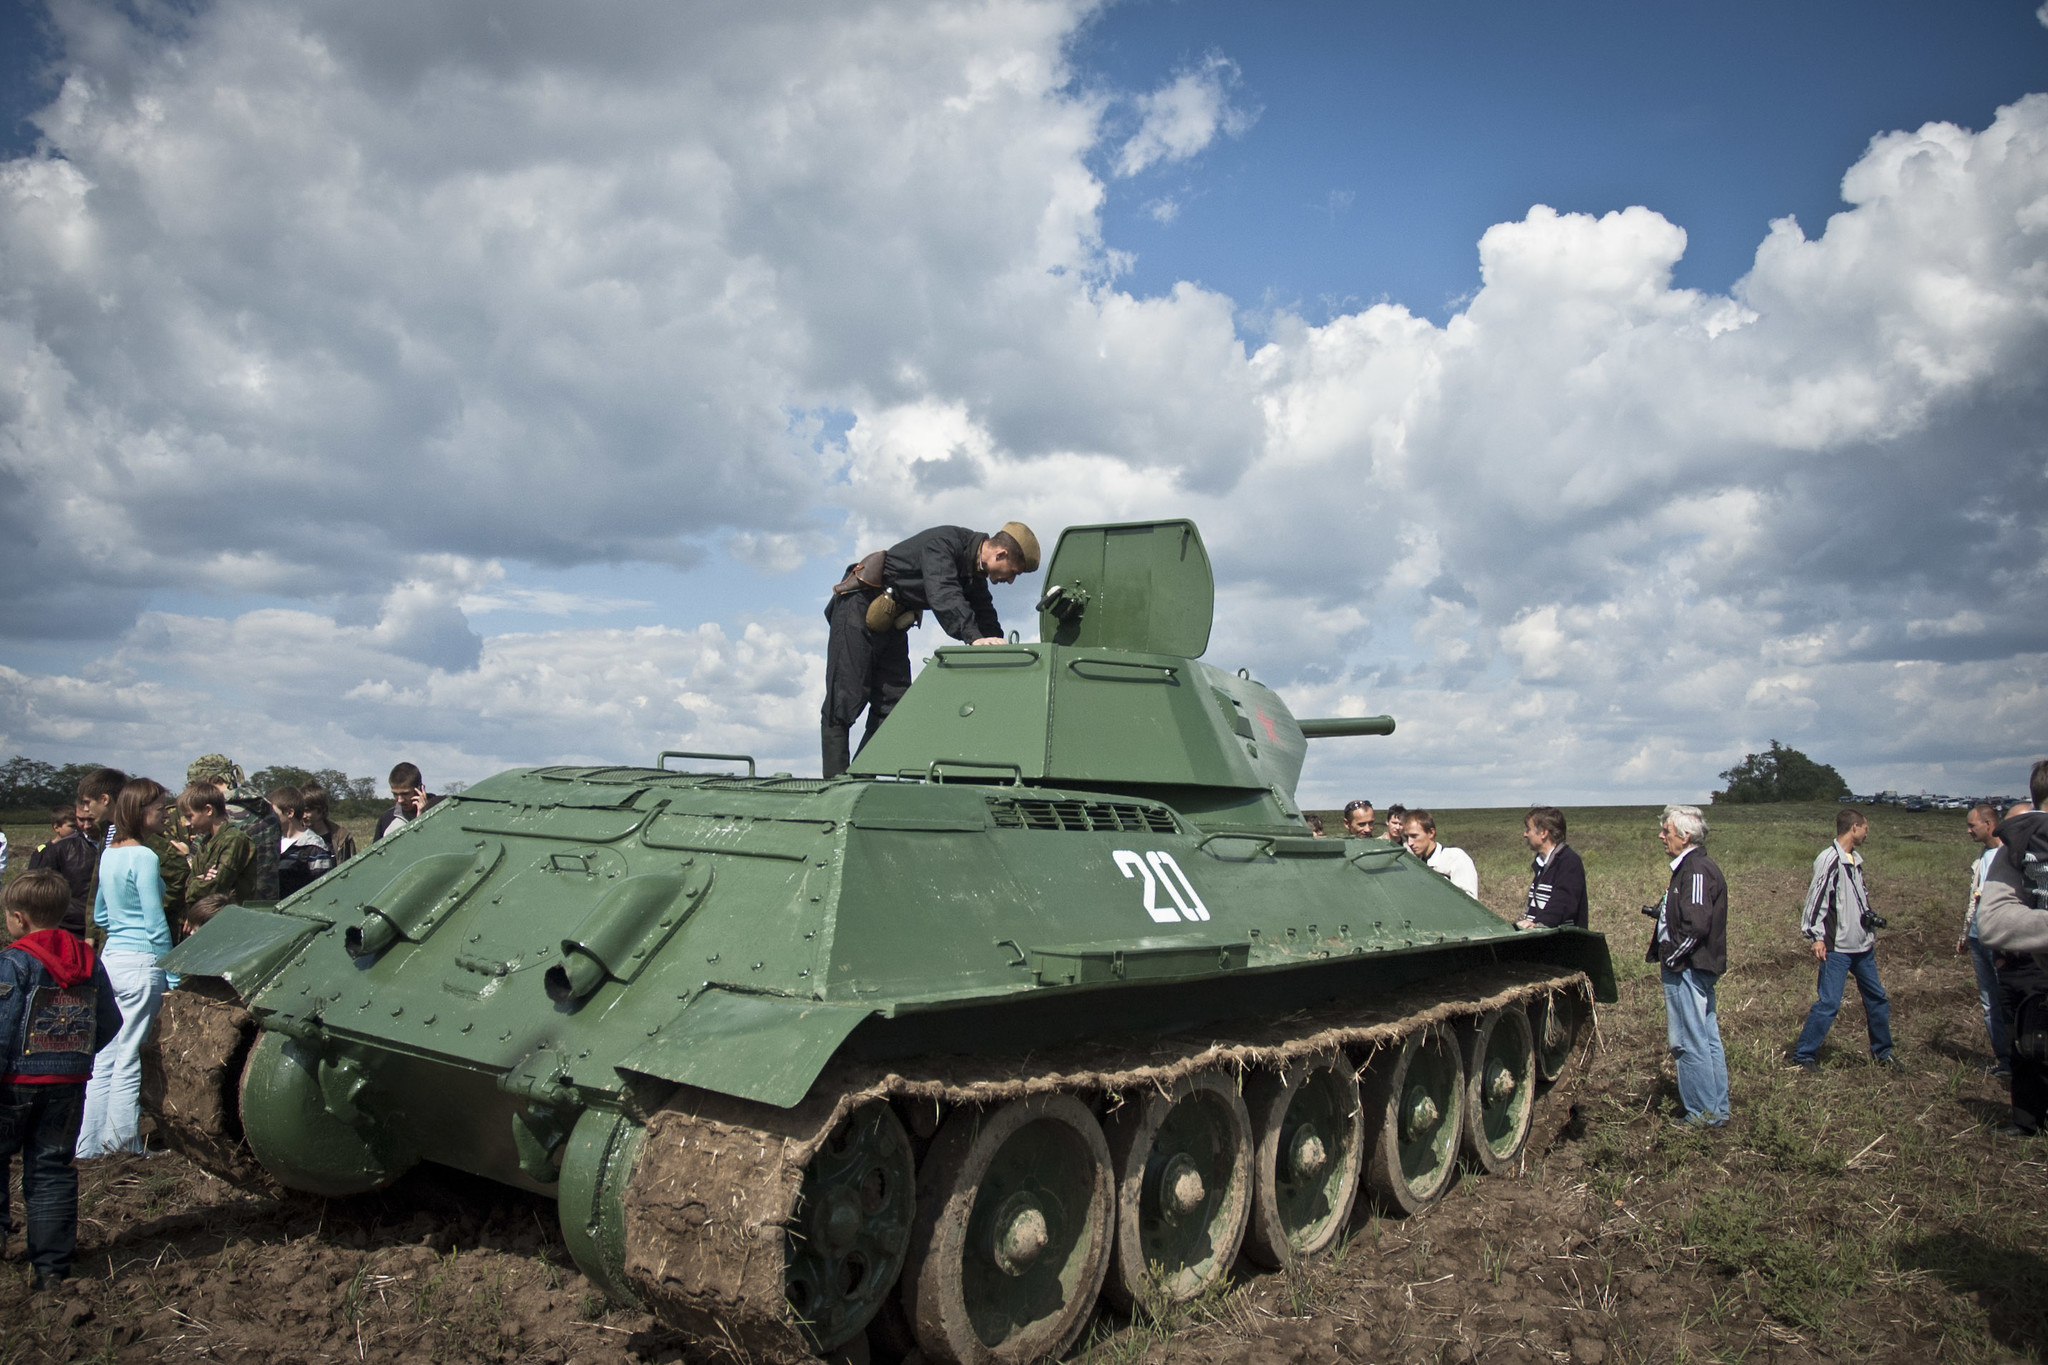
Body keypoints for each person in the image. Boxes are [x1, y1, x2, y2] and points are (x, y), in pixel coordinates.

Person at [821, 522, 1039, 779]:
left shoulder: (973, 572)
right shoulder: (944, 544)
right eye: (1013, 572)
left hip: (892, 618)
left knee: (894, 704)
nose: (1011, 580)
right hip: (858, 606)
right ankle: (834, 784)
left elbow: (984, 612)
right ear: (1000, 554)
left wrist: (1003, 653)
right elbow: (943, 592)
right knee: (845, 698)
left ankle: (858, 780)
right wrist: (973, 638)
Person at [0, 870, 122, 1289]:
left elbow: (3, 1024)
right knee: (51, 1167)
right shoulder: (90, 963)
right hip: (68, 1084)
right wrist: (77, 1057)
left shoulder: (14, 963)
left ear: (18, 918)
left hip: (13, 1081)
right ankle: (51, 1268)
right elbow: (109, 1021)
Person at [76, 778, 173, 1157]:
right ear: (140, 812)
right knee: (131, 1055)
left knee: (105, 1057)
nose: (166, 814)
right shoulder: (145, 858)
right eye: (160, 809)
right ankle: (123, 1144)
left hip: (111, 960)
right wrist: (173, 971)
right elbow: (155, 923)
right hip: (141, 962)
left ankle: (88, 1145)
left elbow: (100, 913)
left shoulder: (109, 854)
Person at [1791, 807, 1896, 1071]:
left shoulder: (1854, 860)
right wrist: (1815, 935)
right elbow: (1816, 899)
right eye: (1865, 828)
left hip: (1862, 946)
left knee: (1877, 999)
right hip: (1837, 947)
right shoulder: (1829, 859)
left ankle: (1883, 1053)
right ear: (1854, 827)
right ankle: (1804, 1055)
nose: (1866, 833)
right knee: (1828, 1004)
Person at [1646, 804, 1730, 1127]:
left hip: (1688, 969)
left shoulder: (1695, 869)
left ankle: (1701, 1114)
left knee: (1688, 1041)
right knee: (1707, 1038)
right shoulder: (1691, 868)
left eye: (1666, 831)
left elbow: (1696, 924)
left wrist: (1673, 956)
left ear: (1685, 836)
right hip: (1695, 967)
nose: (1661, 836)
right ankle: (1716, 1110)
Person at [1977, 772, 2048, 1138]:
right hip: (2030, 967)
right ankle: (2026, 1120)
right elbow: (1990, 921)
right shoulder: (2018, 849)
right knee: (2027, 1041)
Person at [1955, 802, 2012, 1077]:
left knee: (2008, 999)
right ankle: (2005, 1061)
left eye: (1972, 825)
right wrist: (1965, 934)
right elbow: (1974, 901)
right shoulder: (1981, 858)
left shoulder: (2009, 856)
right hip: (1978, 938)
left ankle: (2020, 1059)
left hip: (2000, 940)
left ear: (1989, 825)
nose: (1968, 831)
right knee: (1989, 1000)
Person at [185, 756, 281, 900]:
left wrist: (186, 855)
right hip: (268, 902)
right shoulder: (267, 808)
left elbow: (200, 872)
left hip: (232, 908)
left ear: (209, 782)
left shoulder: (217, 815)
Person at [182, 784, 259, 905]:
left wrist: (195, 883)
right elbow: (188, 883)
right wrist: (199, 881)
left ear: (208, 810)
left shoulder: (234, 840)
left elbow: (215, 888)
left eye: (189, 816)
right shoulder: (205, 842)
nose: (186, 823)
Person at [1517, 806, 1588, 930]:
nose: (1525, 834)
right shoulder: (1542, 864)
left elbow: (1564, 902)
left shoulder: (1569, 861)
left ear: (1543, 833)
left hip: (1563, 945)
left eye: (1529, 829)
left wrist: (1540, 924)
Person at [273, 785, 335, 897]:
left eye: (274, 814)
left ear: (289, 813)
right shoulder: (272, 842)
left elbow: (324, 891)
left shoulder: (315, 848)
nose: (270, 817)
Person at [1402, 809, 1478, 898]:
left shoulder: (1454, 857)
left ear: (1431, 833)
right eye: (1407, 837)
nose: (1410, 842)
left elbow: (1470, 901)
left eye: (1414, 836)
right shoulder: (1416, 864)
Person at [375, 762, 441, 840]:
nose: (400, 800)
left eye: (405, 794)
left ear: (420, 789)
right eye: (395, 794)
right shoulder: (386, 820)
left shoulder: (442, 810)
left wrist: (424, 816)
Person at [299, 784, 358, 864]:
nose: (303, 816)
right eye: (301, 810)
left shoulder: (342, 838)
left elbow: (353, 867)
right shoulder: (294, 837)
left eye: (307, 811)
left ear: (321, 809)